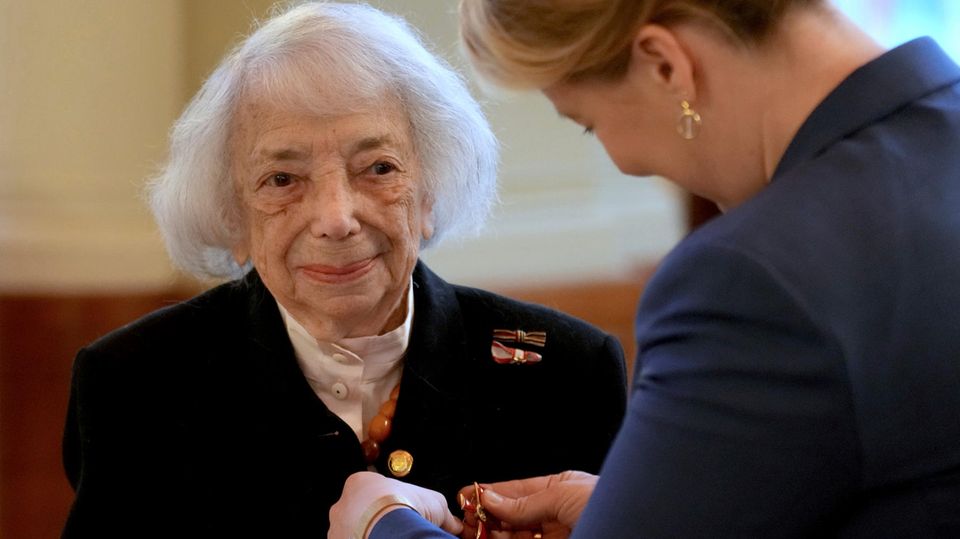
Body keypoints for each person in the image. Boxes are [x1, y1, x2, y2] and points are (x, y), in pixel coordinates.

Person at [329, 0, 960, 537]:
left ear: (665, 63)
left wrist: (384, 524)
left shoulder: (751, 279)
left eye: (588, 123)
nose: (624, 163)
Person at [60, 3, 628, 536]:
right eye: (282, 180)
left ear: (429, 193)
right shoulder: (135, 385)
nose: (335, 219)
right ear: (232, 218)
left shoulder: (566, 373)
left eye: (378, 168)